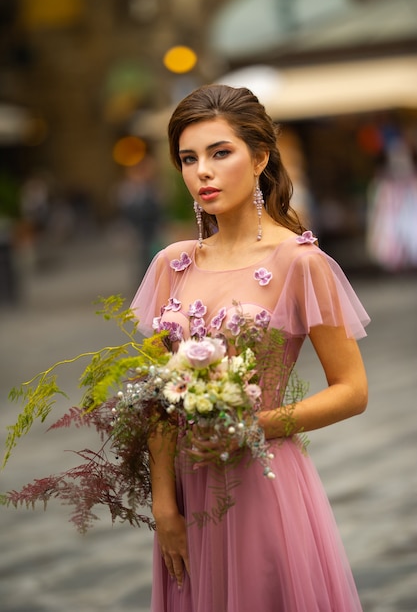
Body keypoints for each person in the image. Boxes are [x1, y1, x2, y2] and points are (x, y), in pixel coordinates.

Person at [130, 85, 370, 612]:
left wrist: (252, 426)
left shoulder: (299, 262)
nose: (203, 173)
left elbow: (353, 391)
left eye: (220, 153)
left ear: (260, 157)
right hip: (190, 498)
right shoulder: (172, 264)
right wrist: (164, 506)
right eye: (188, 159)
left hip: (264, 480)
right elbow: (157, 401)